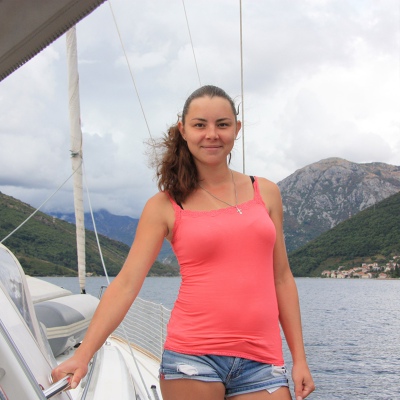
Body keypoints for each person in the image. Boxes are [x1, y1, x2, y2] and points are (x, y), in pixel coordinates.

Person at [52, 85, 315, 400]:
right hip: (192, 357)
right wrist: (83, 355)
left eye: (222, 124)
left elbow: (281, 278)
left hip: (262, 359)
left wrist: (299, 359)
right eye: (200, 125)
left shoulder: (267, 192)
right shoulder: (164, 205)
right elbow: (126, 284)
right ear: (184, 130)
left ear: (237, 129)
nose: (212, 134)